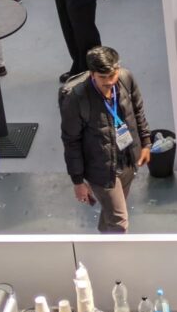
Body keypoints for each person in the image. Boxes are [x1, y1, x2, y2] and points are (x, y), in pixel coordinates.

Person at [59, 46, 151, 234]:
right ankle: (116, 260)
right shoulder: (76, 99)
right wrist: (78, 181)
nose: (109, 82)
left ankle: (102, 242)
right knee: (119, 221)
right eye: (103, 78)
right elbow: (71, 141)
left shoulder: (126, 79)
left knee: (114, 210)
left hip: (127, 159)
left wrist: (145, 143)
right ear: (92, 74)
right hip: (101, 169)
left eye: (112, 75)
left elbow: (138, 110)